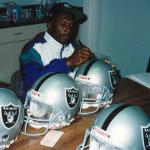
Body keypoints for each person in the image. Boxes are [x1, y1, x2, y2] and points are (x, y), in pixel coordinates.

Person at [19, 2, 94, 103]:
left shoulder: (74, 46)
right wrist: (67, 63)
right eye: (63, 24)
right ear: (50, 24)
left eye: (71, 25)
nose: (68, 29)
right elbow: (33, 80)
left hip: (70, 102)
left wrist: (96, 66)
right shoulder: (33, 49)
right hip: (39, 107)